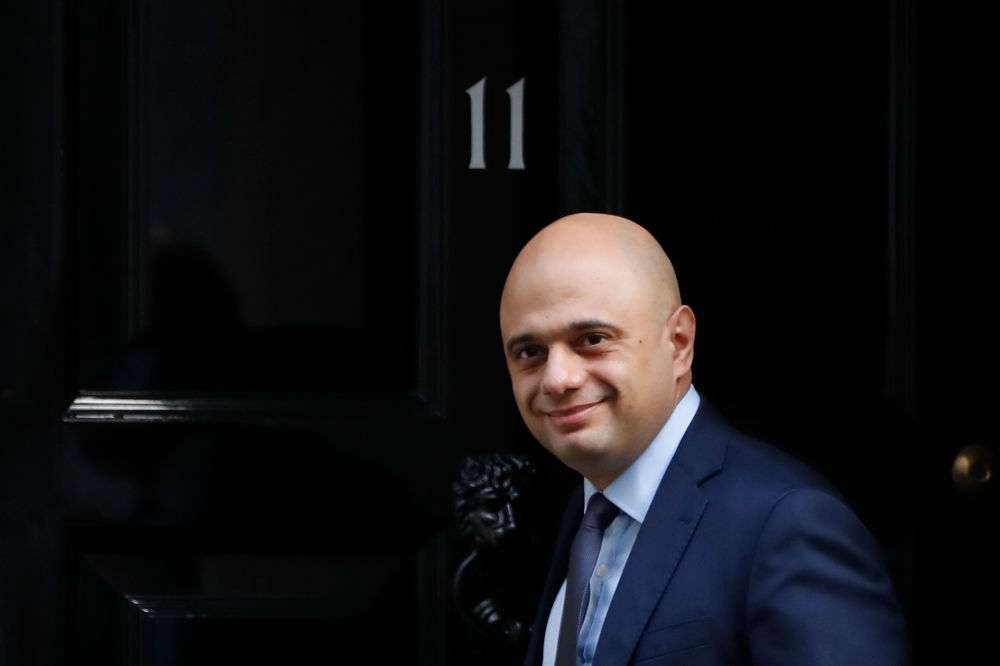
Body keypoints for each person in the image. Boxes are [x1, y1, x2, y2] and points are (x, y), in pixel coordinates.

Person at [499, 213, 908, 666]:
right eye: (530, 352)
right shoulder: (586, 515)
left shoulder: (789, 525)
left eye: (592, 339)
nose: (557, 379)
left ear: (679, 342)